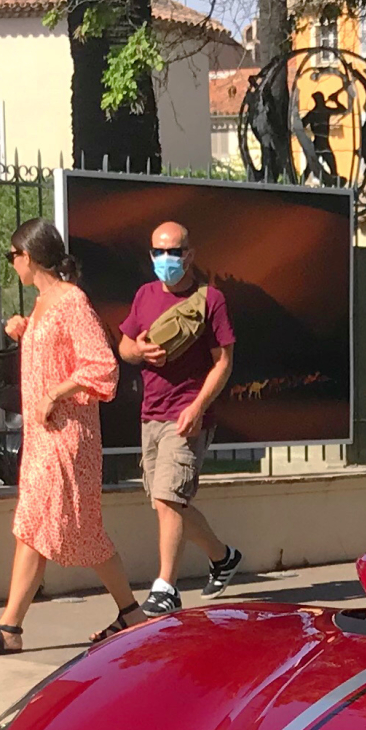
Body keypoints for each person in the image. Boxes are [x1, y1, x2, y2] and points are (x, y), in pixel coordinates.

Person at [0, 219, 144, 653]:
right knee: (72, 529)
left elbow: (103, 366)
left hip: (67, 433)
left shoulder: (71, 301)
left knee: (35, 523)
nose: (12, 265)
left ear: (31, 255)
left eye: (13, 256)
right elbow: (57, 350)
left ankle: (10, 628)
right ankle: (132, 613)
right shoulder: (45, 303)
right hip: (46, 434)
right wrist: (26, 331)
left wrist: (56, 393)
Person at [117, 221, 242, 615]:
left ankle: (165, 586)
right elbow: (124, 346)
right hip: (150, 414)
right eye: (158, 251)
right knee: (167, 503)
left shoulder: (211, 300)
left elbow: (223, 363)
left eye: (173, 251)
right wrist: (138, 351)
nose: (166, 259)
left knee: (170, 497)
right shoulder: (144, 295)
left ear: (190, 253)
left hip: (186, 414)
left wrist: (197, 407)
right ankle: (222, 557)